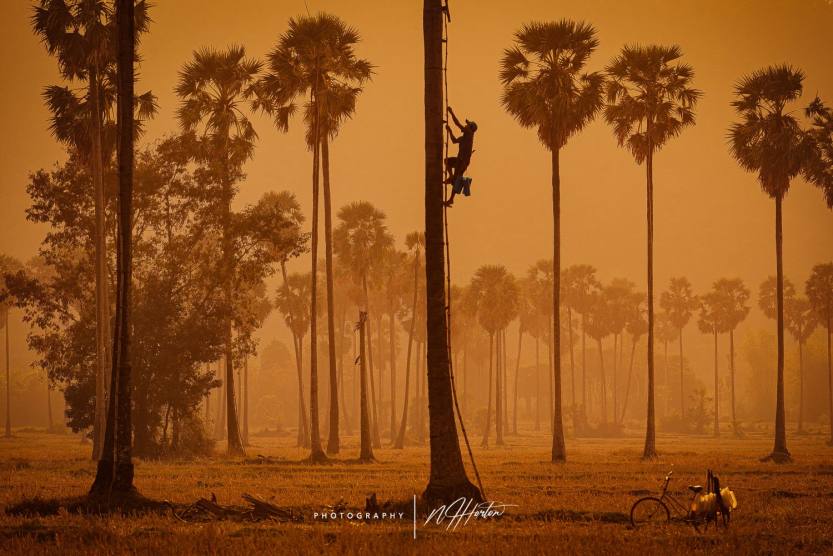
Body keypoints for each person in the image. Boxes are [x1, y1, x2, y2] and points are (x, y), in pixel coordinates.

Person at [444, 106, 477, 206]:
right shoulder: (464, 137)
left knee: (457, 179)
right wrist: (449, 131)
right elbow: (454, 140)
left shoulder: (469, 133)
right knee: (447, 161)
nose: (465, 126)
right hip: (460, 160)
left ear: (470, 128)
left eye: (467, 125)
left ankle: (451, 199)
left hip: (462, 162)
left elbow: (457, 123)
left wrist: (451, 112)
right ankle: (451, 177)